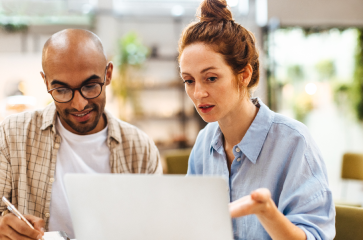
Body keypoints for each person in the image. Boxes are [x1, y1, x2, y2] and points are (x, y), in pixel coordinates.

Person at [178, 0, 335, 239]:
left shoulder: (294, 142)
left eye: (210, 78)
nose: (198, 93)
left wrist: (267, 213)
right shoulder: (204, 144)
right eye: (189, 81)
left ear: (244, 75)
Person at [0, 29, 162, 240]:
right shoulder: (11, 136)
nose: (79, 104)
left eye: (90, 86)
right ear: (46, 82)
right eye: (62, 90)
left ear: (108, 74)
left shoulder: (140, 149)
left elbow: (156, 229)